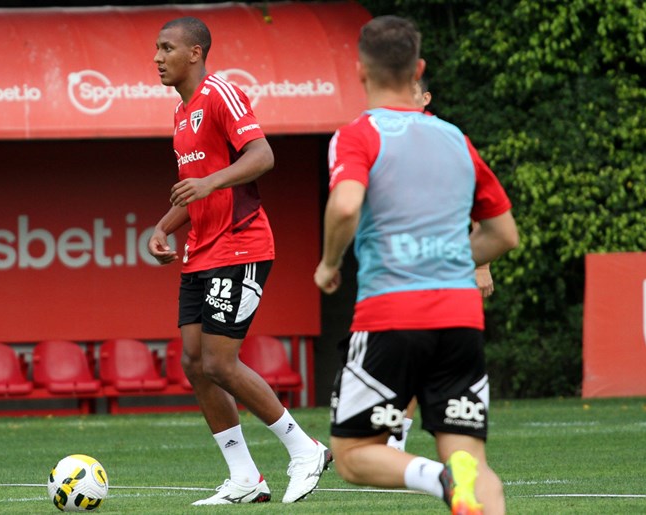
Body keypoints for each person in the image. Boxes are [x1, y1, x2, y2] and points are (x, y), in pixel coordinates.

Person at [314, 15, 518, 515]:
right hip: (460, 318)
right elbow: (504, 234)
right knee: (475, 460)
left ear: (360, 70)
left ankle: (438, 477)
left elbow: (345, 205)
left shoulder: (357, 135)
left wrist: (328, 263)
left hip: (392, 317)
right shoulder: (455, 139)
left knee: (354, 454)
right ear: (418, 69)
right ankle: (459, 472)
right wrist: (447, 257)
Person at [148, 16, 332, 506]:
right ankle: (245, 477)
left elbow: (262, 155)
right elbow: (196, 188)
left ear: (195, 52)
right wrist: (165, 226)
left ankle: (305, 449)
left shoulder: (219, 93)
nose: (157, 57)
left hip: (241, 243)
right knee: (194, 361)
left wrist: (209, 183)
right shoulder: (179, 114)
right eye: (156, 49)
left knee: (219, 362)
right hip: (201, 250)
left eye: (167, 48)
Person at [387, 78, 495, 452]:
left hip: (448, 273)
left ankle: (408, 438)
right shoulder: (386, 139)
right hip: (402, 271)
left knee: (430, 355)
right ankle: (398, 434)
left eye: (410, 91)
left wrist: (481, 266)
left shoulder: (450, 140)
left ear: (426, 98)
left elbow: (487, 207)